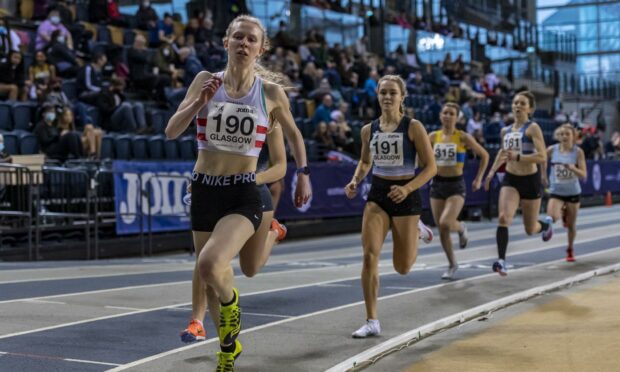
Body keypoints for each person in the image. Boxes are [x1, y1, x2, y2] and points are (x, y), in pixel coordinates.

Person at [165, 15, 311, 371]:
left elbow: (294, 136)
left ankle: (233, 308)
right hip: (204, 189)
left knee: (211, 265)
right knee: (211, 281)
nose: (244, 44)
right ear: (226, 42)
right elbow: (171, 131)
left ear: (261, 49)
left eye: (251, 40)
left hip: (243, 192)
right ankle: (228, 350)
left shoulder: (269, 93)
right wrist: (198, 102)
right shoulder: (205, 81)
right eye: (238, 38)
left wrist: (303, 175)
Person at [180, 119, 289, 344]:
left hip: (251, 194)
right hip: (215, 192)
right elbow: (208, 153)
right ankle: (215, 337)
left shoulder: (272, 114)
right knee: (207, 262)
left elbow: (280, 166)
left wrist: (252, 179)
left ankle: (273, 233)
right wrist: (199, 177)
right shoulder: (223, 107)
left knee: (250, 268)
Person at [344, 75, 436, 338]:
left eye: (392, 93)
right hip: (378, 194)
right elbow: (364, 162)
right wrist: (354, 181)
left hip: (406, 193)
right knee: (369, 255)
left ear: (401, 97)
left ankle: (417, 229)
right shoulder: (368, 130)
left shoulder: (413, 127)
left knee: (403, 267)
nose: (386, 97)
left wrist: (407, 188)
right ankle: (372, 320)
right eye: (382, 92)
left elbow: (431, 167)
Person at [484, 91, 552, 276]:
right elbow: (503, 152)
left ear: (530, 108)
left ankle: (545, 226)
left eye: (522, 103)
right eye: (515, 103)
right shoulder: (505, 131)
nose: (517, 106)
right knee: (504, 217)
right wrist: (491, 173)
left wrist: (519, 156)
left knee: (530, 229)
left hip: (530, 180)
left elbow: (542, 156)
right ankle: (501, 261)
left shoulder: (533, 128)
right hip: (511, 178)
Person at [429, 103, 489, 279]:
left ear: (457, 117)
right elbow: (421, 155)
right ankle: (452, 264)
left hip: (456, 185)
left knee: (446, 222)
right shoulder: (433, 136)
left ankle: (461, 227)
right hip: (437, 185)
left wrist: (479, 178)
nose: (448, 116)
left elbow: (484, 155)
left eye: (451, 113)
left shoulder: (462, 137)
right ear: (440, 115)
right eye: (445, 112)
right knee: (442, 228)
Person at [542, 124, 586, 262]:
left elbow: (583, 174)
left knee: (571, 225)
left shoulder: (578, 152)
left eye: (567, 134)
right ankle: (549, 226)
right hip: (556, 191)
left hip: (573, 192)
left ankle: (570, 248)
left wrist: (573, 168)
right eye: (562, 134)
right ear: (558, 136)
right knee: (551, 217)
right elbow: (541, 158)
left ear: (573, 136)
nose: (564, 137)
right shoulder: (552, 150)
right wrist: (543, 175)